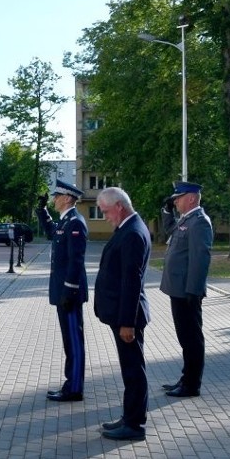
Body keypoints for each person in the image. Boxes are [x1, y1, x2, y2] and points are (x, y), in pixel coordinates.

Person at [94, 187, 151, 441]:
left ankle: (135, 425)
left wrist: (127, 322)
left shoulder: (132, 233)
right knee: (130, 369)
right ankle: (130, 417)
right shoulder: (128, 228)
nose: (105, 217)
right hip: (121, 315)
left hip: (127, 318)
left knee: (133, 370)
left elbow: (132, 281)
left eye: (105, 212)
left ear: (119, 206)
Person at [35, 180, 88, 402]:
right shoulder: (65, 222)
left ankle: (74, 388)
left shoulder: (75, 223)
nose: (54, 199)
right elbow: (51, 232)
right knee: (69, 340)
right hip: (63, 291)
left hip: (69, 293)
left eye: (57, 196)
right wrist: (42, 211)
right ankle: (71, 383)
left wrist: (69, 290)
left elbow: (76, 261)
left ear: (67, 198)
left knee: (74, 341)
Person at [160, 181, 213, 397]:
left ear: (191, 198)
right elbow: (170, 229)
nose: (176, 200)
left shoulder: (200, 222)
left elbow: (200, 259)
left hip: (187, 291)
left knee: (191, 338)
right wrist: (166, 211)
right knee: (185, 337)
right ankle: (185, 379)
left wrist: (194, 290)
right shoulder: (186, 220)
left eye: (178, 197)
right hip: (179, 290)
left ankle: (192, 385)